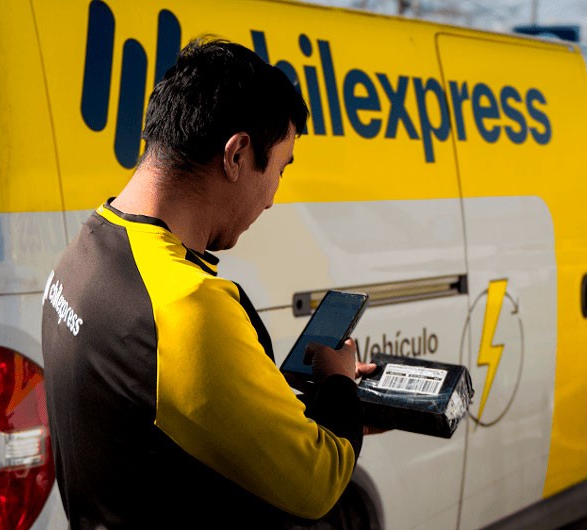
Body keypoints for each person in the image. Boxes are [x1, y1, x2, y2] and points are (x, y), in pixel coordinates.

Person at [41, 37, 376, 530]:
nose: (270, 201)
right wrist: (341, 389)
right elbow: (317, 483)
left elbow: (164, 411)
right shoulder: (187, 306)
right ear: (236, 155)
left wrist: (316, 412)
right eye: (280, 170)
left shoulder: (85, 253)